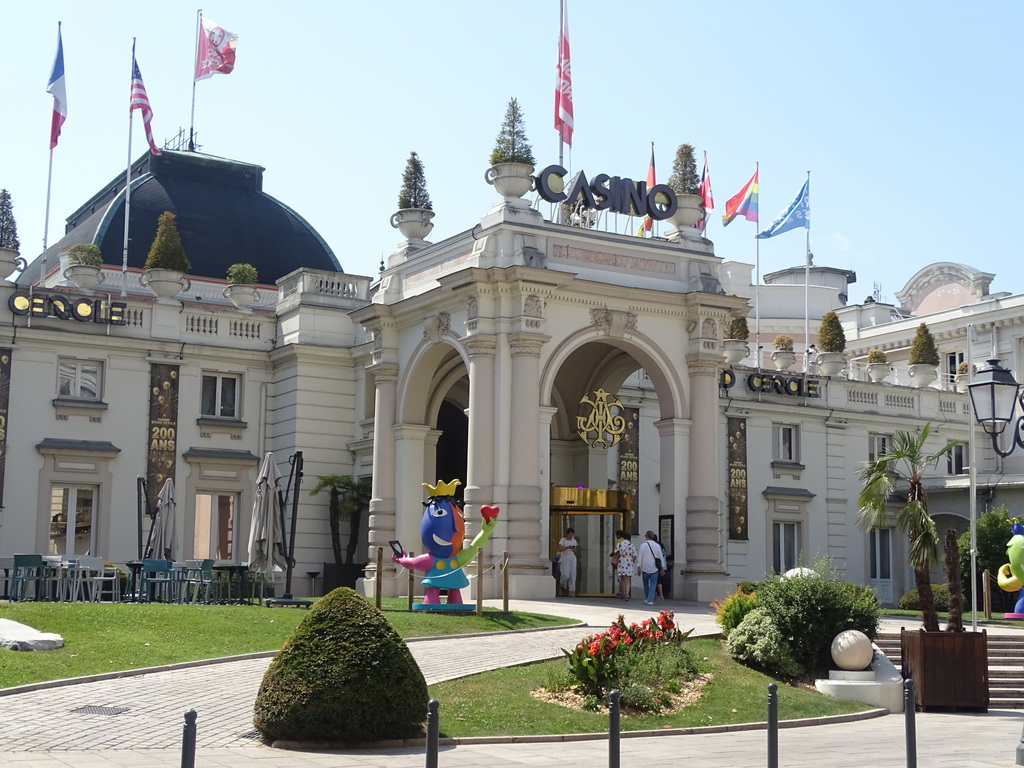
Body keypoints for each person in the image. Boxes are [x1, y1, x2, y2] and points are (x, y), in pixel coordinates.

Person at [638, 530, 664, 605]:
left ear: (647, 537)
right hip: (654, 567)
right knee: (653, 583)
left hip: (645, 567)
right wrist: (662, 567)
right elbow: (660, 557)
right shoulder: (657, 546)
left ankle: (647, 598)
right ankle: (650, 599)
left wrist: (638, 566)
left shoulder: (643, 545)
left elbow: (640, 557)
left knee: (645, 582)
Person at [612, 530, 637, 600]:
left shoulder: (619, 544)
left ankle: (623, 593)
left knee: (622, 579)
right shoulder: (631, 545)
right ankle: (627, 594)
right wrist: (632, 561)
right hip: (629, 564)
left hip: (621, 563)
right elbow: (635, 555)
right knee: (628, 579)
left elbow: (615, 553)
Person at [556, 527, 579, 597]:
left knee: (572, 574)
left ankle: (571, 590)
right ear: (567, 534)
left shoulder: (574, 541)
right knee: (565, 574)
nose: (571, 536)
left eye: (572, 535)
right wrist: (567, 547)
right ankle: (562, 585)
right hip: (565, 557)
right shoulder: (563, 540)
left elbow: (575, 551)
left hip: (572, 557)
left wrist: (573, 548)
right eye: (570, 535)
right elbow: (560, 549)